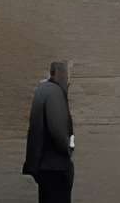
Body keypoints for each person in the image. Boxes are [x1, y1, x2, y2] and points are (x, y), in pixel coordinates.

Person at [21, 59, 74, 202]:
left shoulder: (43, 90)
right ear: (58, 73)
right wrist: (68, 149)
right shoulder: (54, 92)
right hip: (55, 166)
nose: (69, 81)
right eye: (68, 75)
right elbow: (58, 130)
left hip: (44, 166)